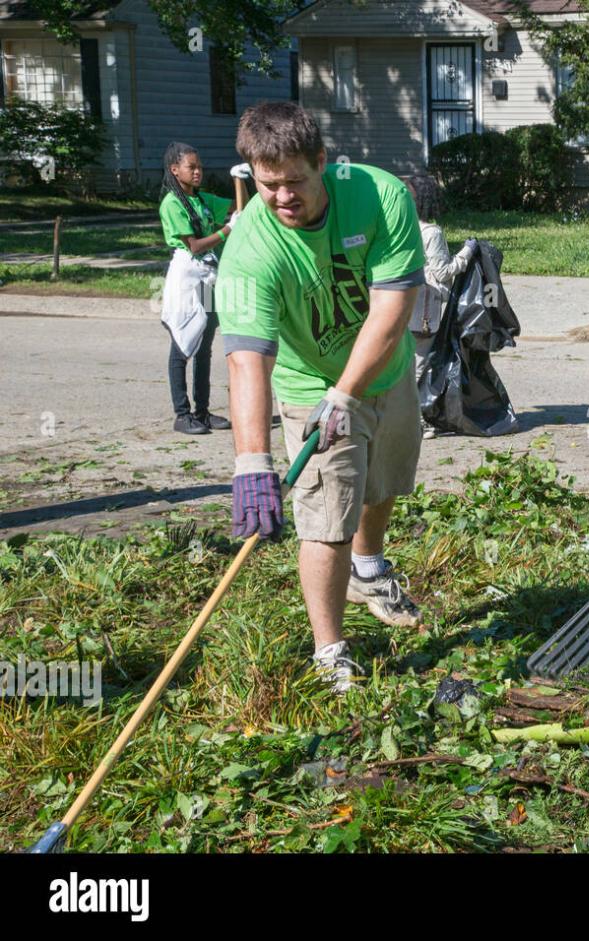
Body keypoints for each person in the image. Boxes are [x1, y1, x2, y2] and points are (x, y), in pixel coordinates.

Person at [216, 102, 427, 693]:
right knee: (327, 518)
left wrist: (350, 391)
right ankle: (330, 651)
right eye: (267, 184)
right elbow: (247, 359)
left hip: (385, 371)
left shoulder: (380, 196)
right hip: (309, 388)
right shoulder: (250, 250)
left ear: (322, 163)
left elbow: (392, 308)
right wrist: (252, 460)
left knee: (383, 483)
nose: (282, 197)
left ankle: (368, 569)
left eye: (294, 182)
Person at [158, 141, 236, 435]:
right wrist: (227, 230)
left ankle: (202, 412)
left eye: (200, 166)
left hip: (207, 277)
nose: (198, 171)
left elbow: (238, 204)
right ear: (175, 169)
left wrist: (243, 179)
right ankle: (182, 414)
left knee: (205, 344)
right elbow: (194, 245)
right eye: (192, 167)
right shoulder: (172, 203)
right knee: (183, 341)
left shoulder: (201, 199)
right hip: (187, 277)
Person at [403, 171, 478, 439]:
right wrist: (468, 251)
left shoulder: (399, 226)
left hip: (398, 303)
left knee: (403, 364)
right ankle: (414, 422)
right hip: (424, 308)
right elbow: (444, 271)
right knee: (419, 366)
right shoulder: (431, 232)